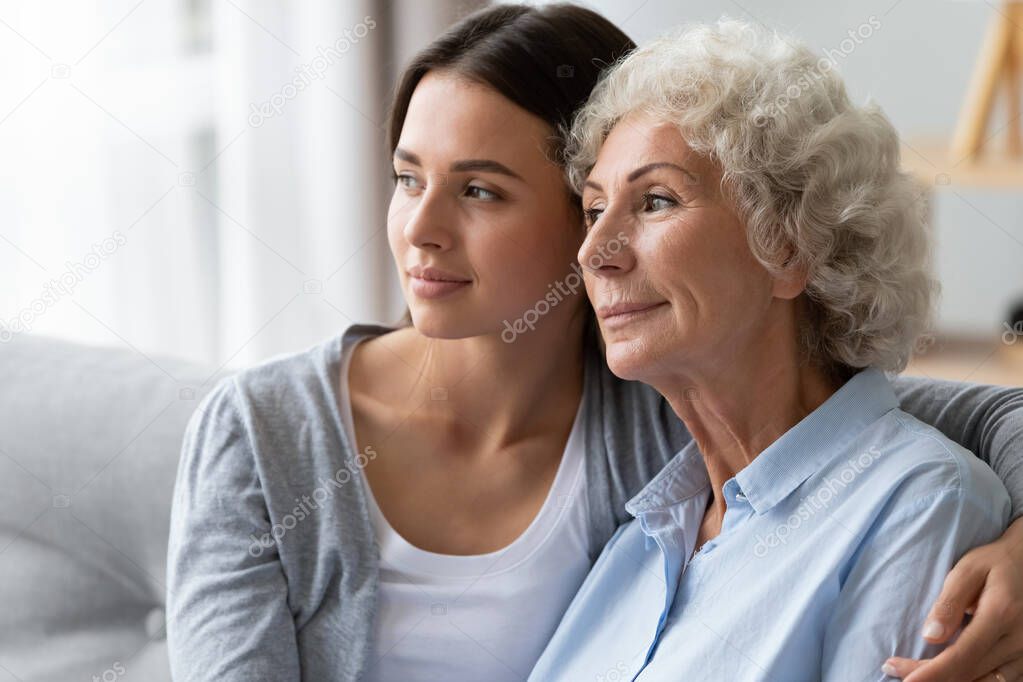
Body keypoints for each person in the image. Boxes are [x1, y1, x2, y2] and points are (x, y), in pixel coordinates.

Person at [167, 5, 1023, 681]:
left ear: (789, 246)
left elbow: (950, 428)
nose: (419, 229)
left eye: (480, 190)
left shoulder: (672, 426)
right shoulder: (666, 502)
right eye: (405, 179)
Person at [529, 18, 1020, 682]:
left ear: (788, 246)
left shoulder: (918, 503)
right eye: (593, 210)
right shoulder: (648, 528)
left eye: (654, 201)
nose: (593, 252)